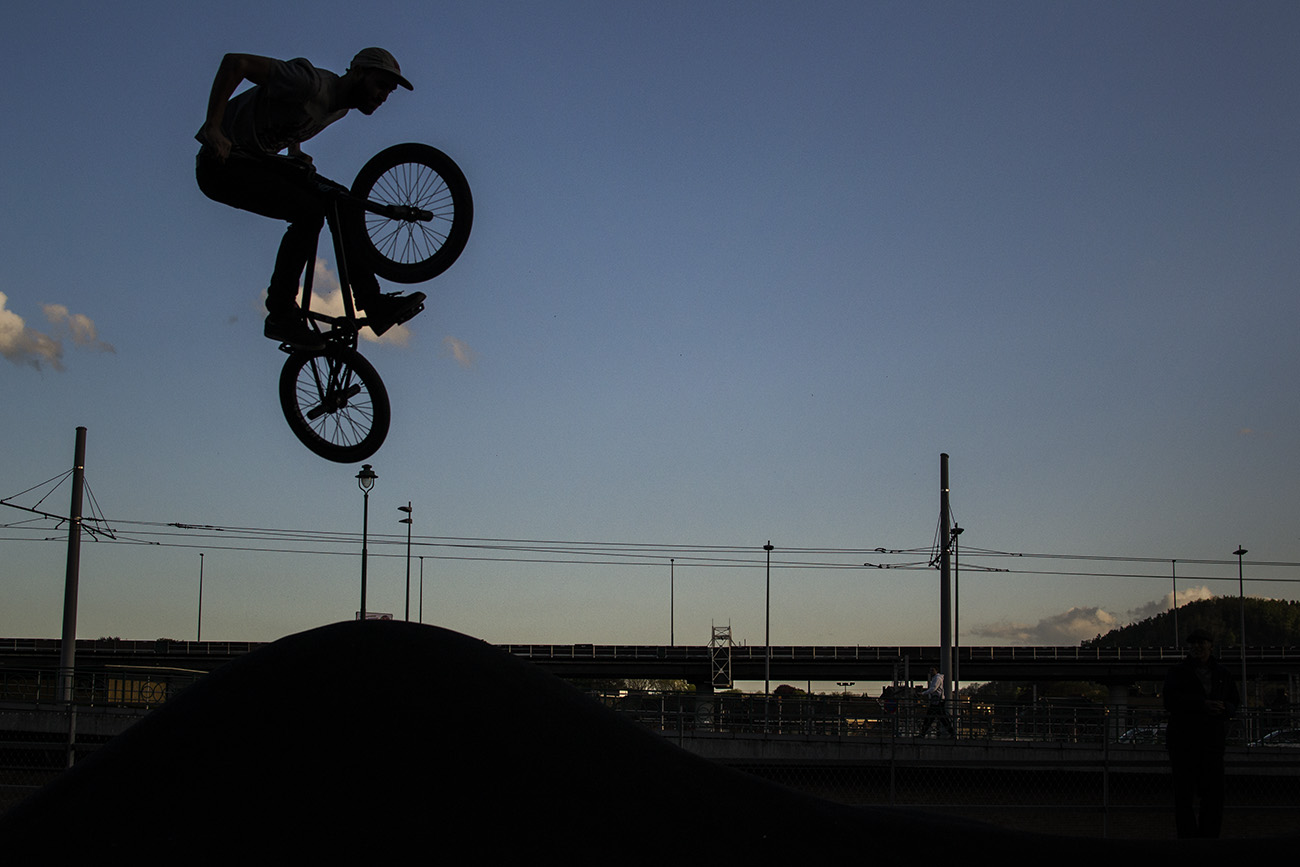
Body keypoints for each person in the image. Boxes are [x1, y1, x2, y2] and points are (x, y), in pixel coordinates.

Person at [196, 48, 425, 349]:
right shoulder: (309, 82)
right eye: (381, 85)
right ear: (357, 73)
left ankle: (373, 304)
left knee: (340, 199)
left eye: (389, 92)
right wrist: (213, 125)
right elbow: (234, 63)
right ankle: (280, 312)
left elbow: (290, 113)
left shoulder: (339, 107)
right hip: (221, 164)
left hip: (255, 161)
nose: (383, 96)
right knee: (309, 212)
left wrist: (294, 151)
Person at [1163, 628, 1239, 838]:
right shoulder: (1178, 672)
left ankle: (1208, 839)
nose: (1197, 647)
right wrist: (1203, 705)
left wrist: (1225, 708)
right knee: (1185, 795)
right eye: (1193, 643)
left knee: (1213, 795)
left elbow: (1234, 701)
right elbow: (1169, 701)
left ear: (1210, 646)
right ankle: (1190, 840)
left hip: (1210, 742)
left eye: (1201, 643)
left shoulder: (1222, 674)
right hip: (1185, 742)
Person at [916, 666, 956, 738]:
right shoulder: (936, 678)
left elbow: (933, 688)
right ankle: (952, 733)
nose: (931, 672)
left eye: (932, 670)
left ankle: (923, 733)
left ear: (936, 671)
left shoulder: (937, 678)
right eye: (930, 670)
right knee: (939, 718)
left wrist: (923, 693)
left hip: (937, 701)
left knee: (932, 718)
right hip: (937, 701)